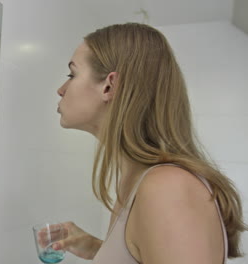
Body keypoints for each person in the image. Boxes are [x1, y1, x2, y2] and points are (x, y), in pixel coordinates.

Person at [54, 23, 246, 263]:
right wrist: (98, 250)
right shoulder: (138, 181)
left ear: (109, 86)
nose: (61, 90)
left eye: (72, 74)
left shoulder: (166, 188)